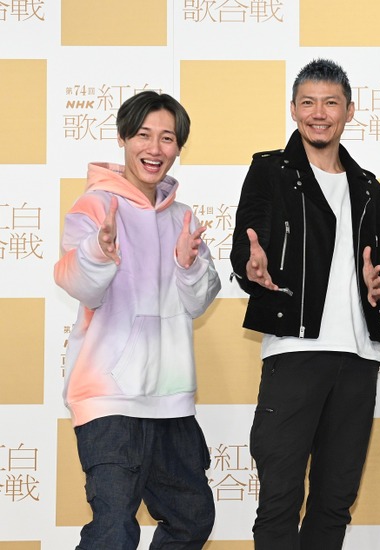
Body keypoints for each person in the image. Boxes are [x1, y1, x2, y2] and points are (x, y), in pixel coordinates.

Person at [229, 58, 380, 550]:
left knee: (334, 502)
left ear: (350, 110)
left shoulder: (368, 186)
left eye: (330, 103)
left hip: (358, 358)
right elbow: (247, 243)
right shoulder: (270, 170)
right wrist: (251, 266)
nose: (319, 113)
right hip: (294, 352)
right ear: (293, 109)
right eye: (308, 102)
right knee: (280, 499)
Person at [54, 91, 220, 549]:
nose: (154, 148)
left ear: (179, 147)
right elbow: (79, 284)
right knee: (113, 530)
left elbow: (199, 301)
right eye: (143, 135)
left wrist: (189, 265)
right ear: (124, 138)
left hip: (170, 399)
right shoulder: (95, 207)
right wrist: (98, 252)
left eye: (167, 138)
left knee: (192, 518)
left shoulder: (183, 218)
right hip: (109, 398)